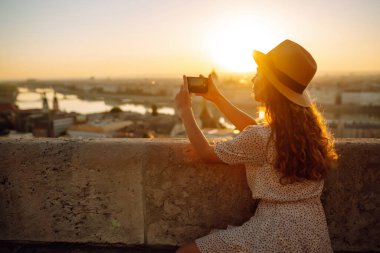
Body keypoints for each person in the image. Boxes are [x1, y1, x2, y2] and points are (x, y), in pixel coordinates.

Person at [174, 39, 338, 253]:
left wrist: (184, 109)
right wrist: (217, 98)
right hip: (311, 227)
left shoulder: (262, 138)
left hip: (273, 230)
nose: (253, 77)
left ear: (269, 85)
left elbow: (206, 154)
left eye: (259, 72)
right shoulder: (308, 132)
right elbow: (255, 132)